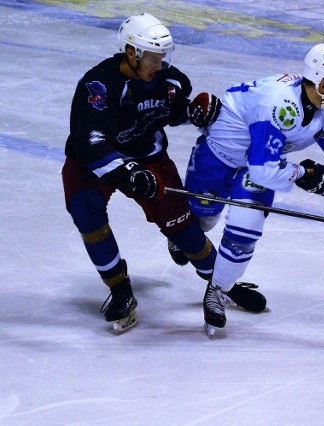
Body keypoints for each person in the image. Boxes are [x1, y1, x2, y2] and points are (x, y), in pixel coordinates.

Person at [61, 13, 265, 334]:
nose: (161, 63)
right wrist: (127, 173)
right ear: (131, 53)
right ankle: (120, 289)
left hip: (150, 159)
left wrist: (195, 111)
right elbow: (90, 143)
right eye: (155, 57)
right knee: (87, 212)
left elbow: (171, 108)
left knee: (182, 228)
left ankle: (218, 280)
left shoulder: (167, 79)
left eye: (164, 56)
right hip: (96, 163)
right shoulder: (100, 86)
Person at [182, 43, 324, 335]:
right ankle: (184, 238)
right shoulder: (278, 103)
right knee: (200, 222)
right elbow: (265, 168)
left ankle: (217, 291)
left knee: (245, 229)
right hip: (219, 154)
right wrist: (305, 174)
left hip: (256, 166)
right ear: (323, 83)